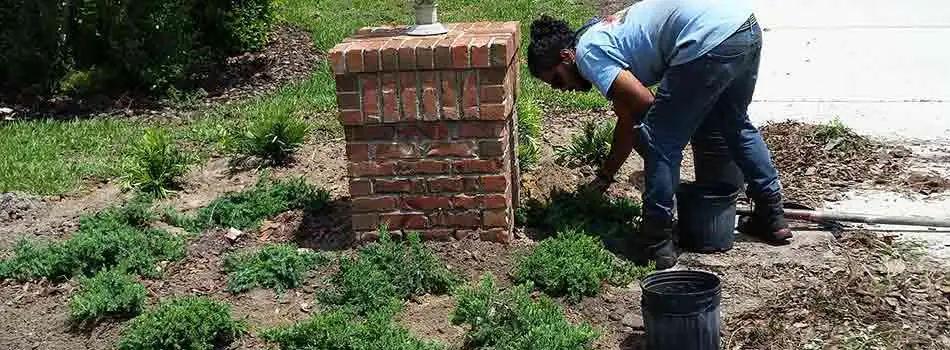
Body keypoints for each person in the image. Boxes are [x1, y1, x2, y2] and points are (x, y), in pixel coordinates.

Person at [527, 0, 792, 269]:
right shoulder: (599, 37)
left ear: (566, 56)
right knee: (734, 123)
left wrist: (659, 139)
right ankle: (771, 216)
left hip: (707, 37)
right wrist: (607, 174)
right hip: (743, 25)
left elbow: (645, 104)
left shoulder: (588, 54)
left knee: (659, 139)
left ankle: (656, 242)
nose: (563, 89)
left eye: (558, 80)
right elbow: (627, 118)